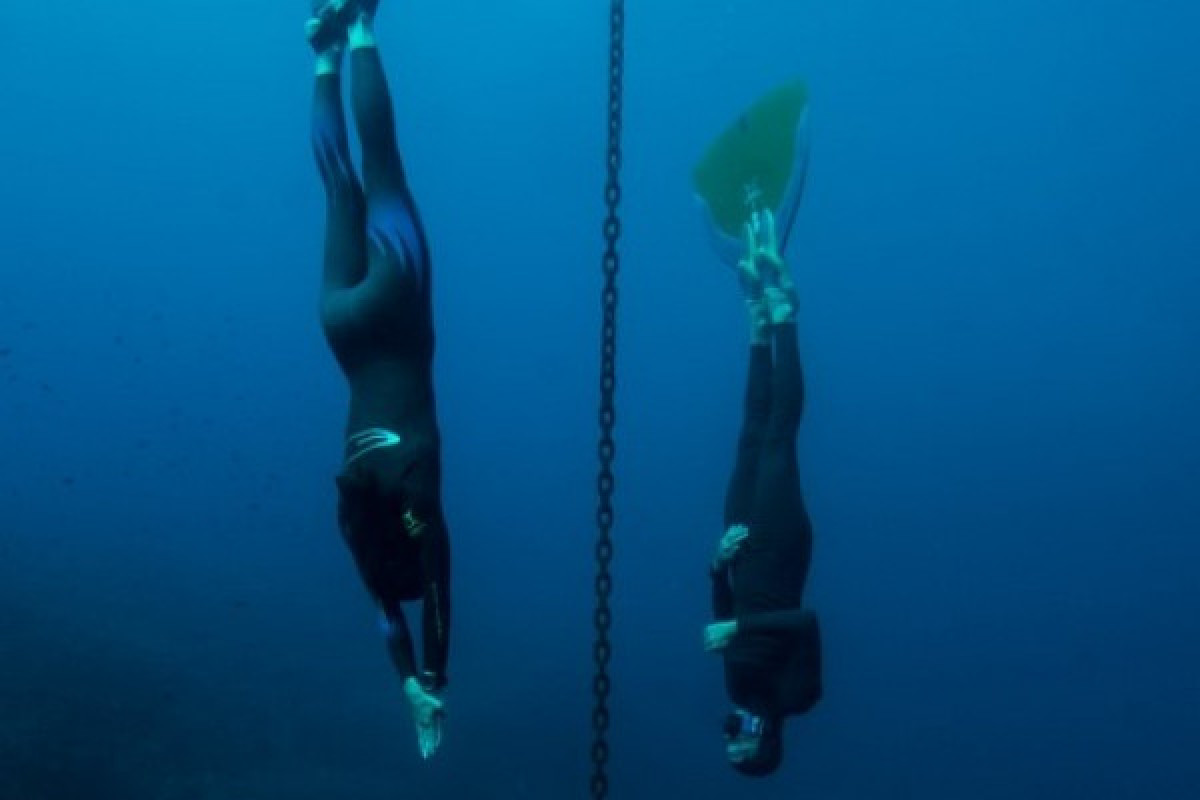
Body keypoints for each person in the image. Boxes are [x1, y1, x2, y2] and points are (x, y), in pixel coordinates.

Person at [307, 0, 449, 760]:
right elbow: (389, 613)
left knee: (382, 160)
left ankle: (359, 26)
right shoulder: (358, 515)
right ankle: (324, 53)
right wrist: (407, 682)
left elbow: (435, 596)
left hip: (395, 303)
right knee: (337, 187)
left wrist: (437, 679)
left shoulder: (415, 499)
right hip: (342, 328)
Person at [699, 130, 823, 774]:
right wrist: (742, 631)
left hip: (743, 549)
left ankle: (754, 325)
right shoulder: (797, 697)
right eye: (739, 737)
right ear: (766, 741)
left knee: (748, 431)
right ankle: (785, 312)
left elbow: (723, 615)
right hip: (779, 547)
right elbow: (803, 626)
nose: (734, 726)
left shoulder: (737, 690)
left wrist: (717, 570)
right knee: (779, 437)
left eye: (728, 734)